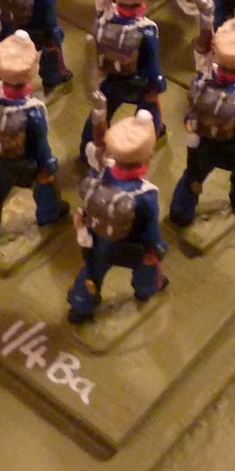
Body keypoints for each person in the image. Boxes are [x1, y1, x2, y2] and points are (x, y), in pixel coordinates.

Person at [67, 111, 168, 323]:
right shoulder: (146, 194)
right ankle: (145, 290)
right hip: (129, 247)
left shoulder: (99, 174)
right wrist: (158, 248)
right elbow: (150, 231)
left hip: (97, 239)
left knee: (91, 273)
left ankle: (80, 305)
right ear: (146, 159)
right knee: (148, 265)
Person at [0, 32, 69, 248]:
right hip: (26, 162)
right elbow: (41, 145)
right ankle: (49, 212)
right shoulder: (33, 110)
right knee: (46, 185)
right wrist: (47, 165)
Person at [169, 15, 235, 224]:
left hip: (204, 145)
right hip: (234, 150)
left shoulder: (203, 81)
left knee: (192, 177)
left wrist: (190, 123)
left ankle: (180, 211)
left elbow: (191, 111)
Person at [80, 0, 166, 162]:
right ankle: (146, 143)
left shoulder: (104, 17)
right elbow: (152, 66)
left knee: (100, 113)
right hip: (138, 84)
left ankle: (85, 149)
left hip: (110, 81)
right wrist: (158, 84)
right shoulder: (147, 30)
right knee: (150, 110)